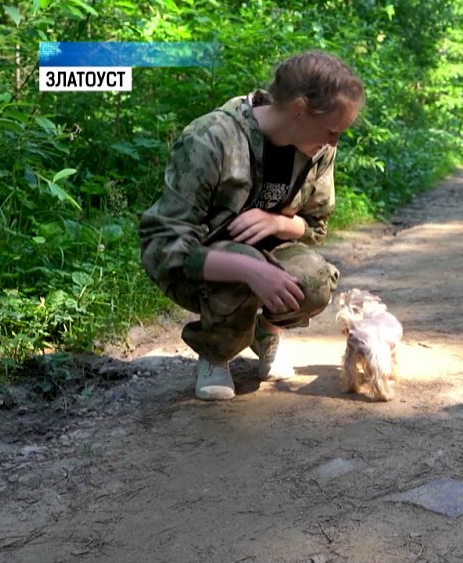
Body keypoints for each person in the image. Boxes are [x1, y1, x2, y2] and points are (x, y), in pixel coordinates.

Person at [139, 51, 364, 401]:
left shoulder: (317, 150)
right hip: (200, 267)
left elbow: (315, 227)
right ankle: (216, 352)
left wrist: (277, 222)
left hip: (266, 255)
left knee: (316, 280)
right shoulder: (211, 138)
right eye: (332, 130)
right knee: (250, 265)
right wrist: (249, 268)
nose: (334, 141)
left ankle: (267, 333)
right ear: (299, 110)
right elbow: (163, 246)